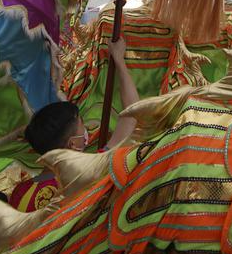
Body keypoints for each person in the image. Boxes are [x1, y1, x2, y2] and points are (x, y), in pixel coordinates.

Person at [10, 37, 138, 212]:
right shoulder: (90, 173)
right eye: (82, 125)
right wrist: (119, 60)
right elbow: (132, 115)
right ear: (72, 143)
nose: (86, 131)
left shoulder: (20, 194)